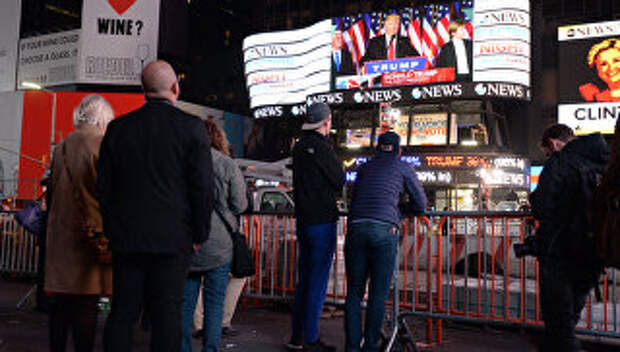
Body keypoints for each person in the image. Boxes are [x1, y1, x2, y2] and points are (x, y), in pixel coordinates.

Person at [98, 60, 215, 352]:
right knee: (167, 316)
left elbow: (104, 188)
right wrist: (199, 234)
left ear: (143, 89)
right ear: (175, 88)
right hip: (174, 239)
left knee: (123, 313)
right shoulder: (192, 129)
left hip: (128, 238)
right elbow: (202, 188)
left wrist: (113, 229)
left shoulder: (118, 129)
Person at [344, 131, 426, 352]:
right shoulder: (403, 167)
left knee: (354, 293)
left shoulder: (363, 168)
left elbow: (355, 198)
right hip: (384, 230)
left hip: (356, 228)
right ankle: (370, 347)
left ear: (377, 149)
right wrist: (399, 212)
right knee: (378, 296)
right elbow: (421, 204)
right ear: (399, 151)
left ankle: (351, 348)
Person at [530, 124, 608, 351]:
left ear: (554, 143)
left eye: (546, 151)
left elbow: (541, 206)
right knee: (568, 318)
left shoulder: (561, 162)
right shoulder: (603, 162)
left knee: (559, 324)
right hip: (593, 253)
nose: (547, 155)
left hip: (560, 252)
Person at [45, 95, 114, 352]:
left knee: (60, 309)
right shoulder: (101, 144)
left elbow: (52, 192)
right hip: (90, 240)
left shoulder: (61, 146)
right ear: (103, 117)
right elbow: (106, 193)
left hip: (61, 239)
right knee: (86, 309)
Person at [180, 119, 248, 352]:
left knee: (186, 303)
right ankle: (210, 348)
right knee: (215, 303)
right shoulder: (227, 164)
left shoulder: (183, 163)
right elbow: (240, 204)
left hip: (189, 241)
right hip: (220, 244)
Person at [287, 102, 344, 352]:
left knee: (305, 280)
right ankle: (310, 339)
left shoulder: (298, 147)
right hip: (322, 220)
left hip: (304, 220)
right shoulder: (323, 148)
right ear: (326, 122)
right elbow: (338, 180)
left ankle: (296, 337)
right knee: (318, 282)